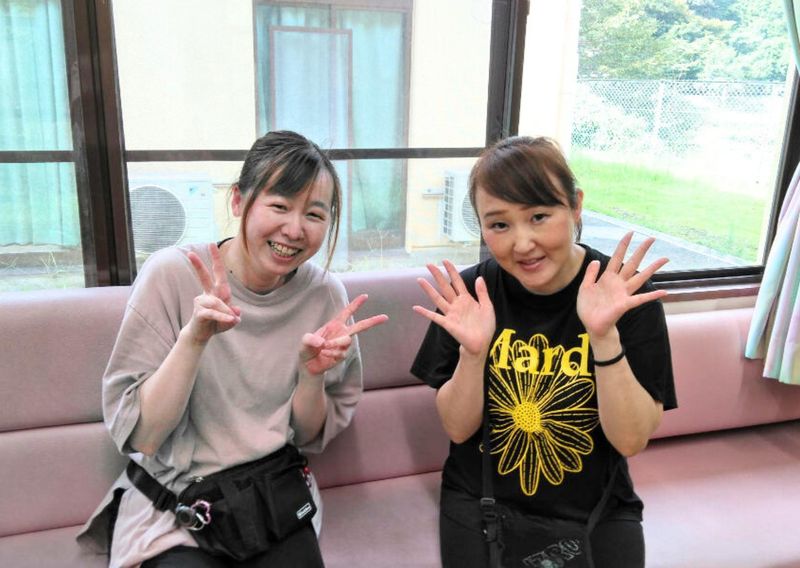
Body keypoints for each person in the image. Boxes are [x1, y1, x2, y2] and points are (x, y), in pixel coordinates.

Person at [77, 130, 388, 568]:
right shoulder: (172, 275)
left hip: (272, 499)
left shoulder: (325, 295)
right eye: (279, 206)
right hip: (176, 507)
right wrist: (194, 339)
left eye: (314, 214)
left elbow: (309, 437)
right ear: (239, 201)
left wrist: (311, 376)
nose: (294, 229)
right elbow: (144, 436)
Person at [410, 136, 677, 568]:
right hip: (481, 502)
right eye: (499, 225)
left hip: (597, 506)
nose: (522, 244)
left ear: (575, 206)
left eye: (538, 216)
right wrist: (474, 355)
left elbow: (630, 440)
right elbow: (458, 430)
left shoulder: (621, 296)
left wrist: (603, 337)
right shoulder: (470, 296)